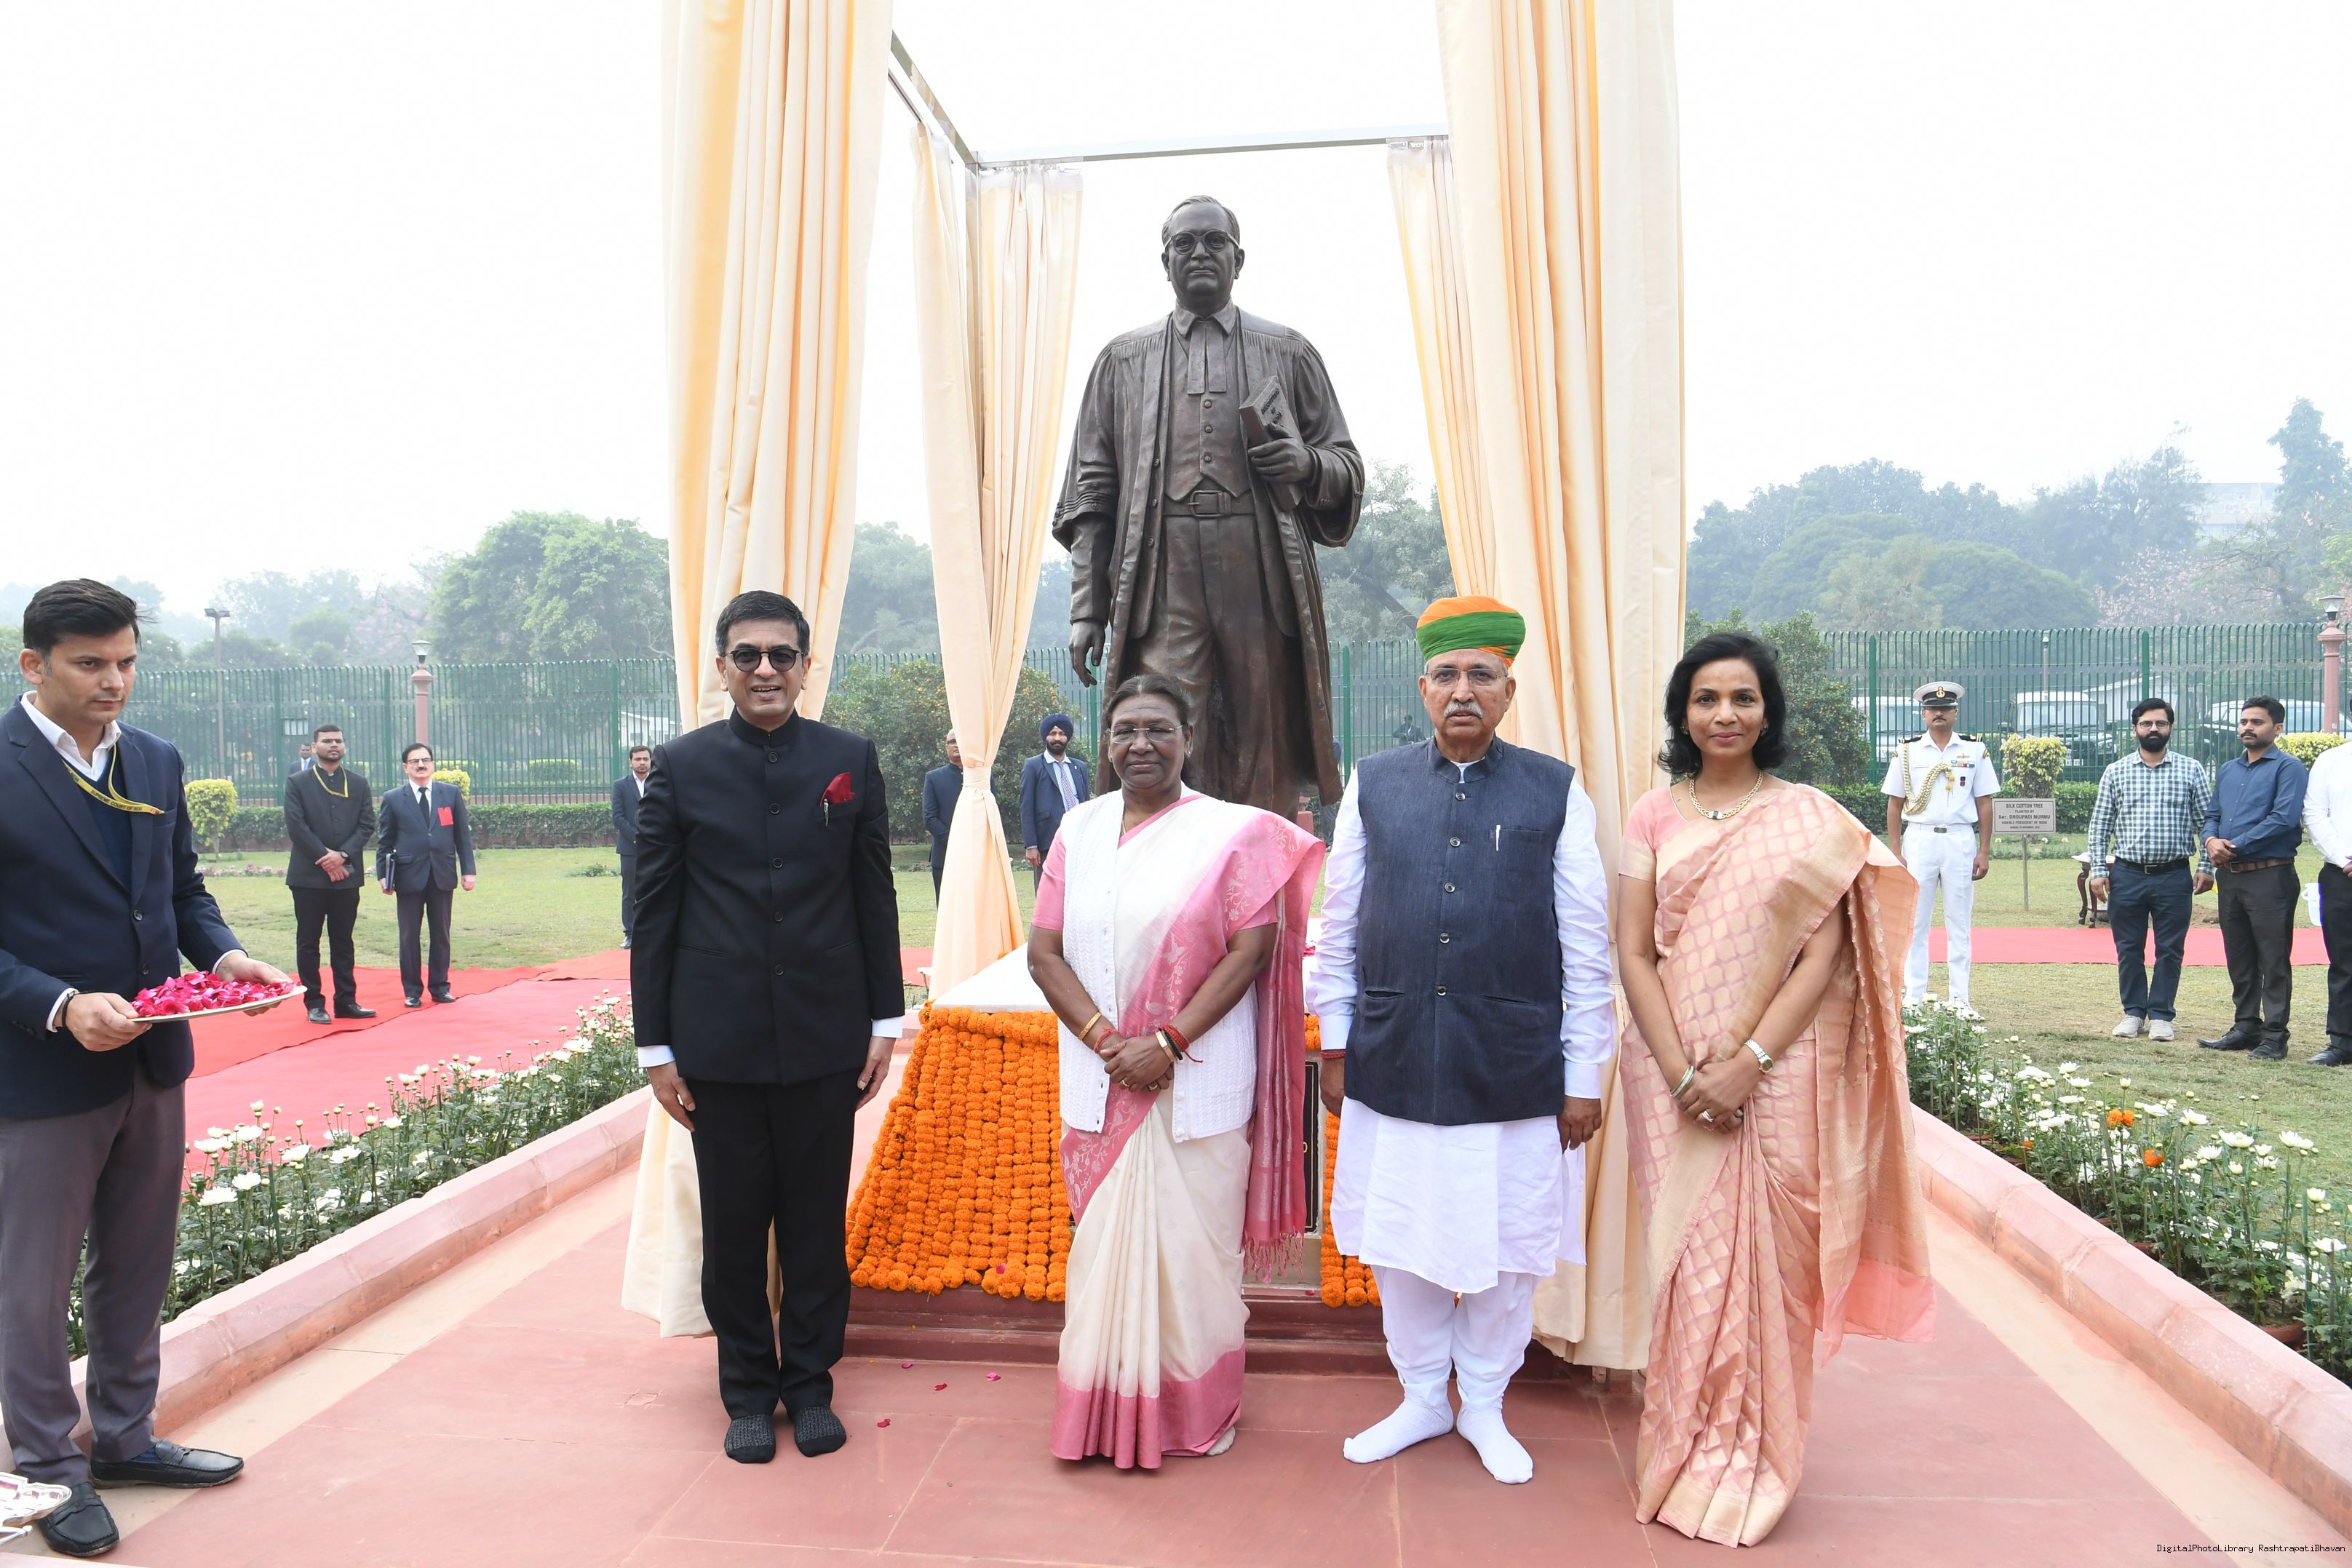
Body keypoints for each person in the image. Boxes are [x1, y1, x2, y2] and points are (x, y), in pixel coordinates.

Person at [1617, 629, 1933, 1545]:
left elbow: (1822, 954)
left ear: (1767, 712)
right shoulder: (1652, 815)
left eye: (1742, 698)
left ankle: (1754, 1457)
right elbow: (1633, 951)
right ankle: (1683, 1451)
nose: (1724, 714)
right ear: (1683, 713)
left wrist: (1745, 1062)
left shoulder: (1809, 820)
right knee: (1690, 1262)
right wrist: (1683, 1071)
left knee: (1775, 1262)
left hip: (1779, 1066)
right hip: (1666, 1064)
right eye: (1706, 698)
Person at [0, 580, 288, 1558]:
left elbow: (182, 890)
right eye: (90, 663)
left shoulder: (156, 759)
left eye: (125, 661)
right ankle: (48, 1469)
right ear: (34, 663)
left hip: (153, 1059)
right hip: (39, 1069)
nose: (113, 680)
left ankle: (124, 1438)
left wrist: (226, 957)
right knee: (31, 1282)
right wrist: (59, 1003)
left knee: (137, 1261)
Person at [1311, 595, 1613, 1487]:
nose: (1462, 691)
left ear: (1509, 691)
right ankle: (1419, 1397)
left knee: (1504, 1249)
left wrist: (1583, 1074)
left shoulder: (1554, 789)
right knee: (1399, 1240)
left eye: (1482, 675)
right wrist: (1337, 1043)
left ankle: (1482, 1401)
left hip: (1513, 1064)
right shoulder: (1374, 782)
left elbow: (1586, 943)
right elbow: (1340, 921)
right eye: (1445, 675)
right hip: (1393, 1053)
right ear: (1422, 689)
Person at [632, 590, 904, 1465]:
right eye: (746, 654)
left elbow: (873, 895)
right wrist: (655, 1046)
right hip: (718, 1042)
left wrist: (885, 1019)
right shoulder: (681, 766)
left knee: (818, 1227)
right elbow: (654, 912)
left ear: (805, 666)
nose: (764, 670)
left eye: (781, 655)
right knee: (735, 1231)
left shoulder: (848, 759)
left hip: (827, 1036)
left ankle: (811, 1385)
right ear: (721, 667)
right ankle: (748, 1391)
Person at [1027, 673, 1320, 1468]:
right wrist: (1106, 1039)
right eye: (1125, 730)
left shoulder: (1232, 832)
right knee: (1103, 1256)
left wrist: (1166, 1042)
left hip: (1197, 1083)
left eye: (1158, 729)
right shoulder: (1079, 830)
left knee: (1196, 1260)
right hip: (1102, 1080)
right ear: (1105, 743)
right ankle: (1100, 1414)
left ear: (1188, 739)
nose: (1140, 744)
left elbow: (1251, 951)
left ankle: (1195, 1411)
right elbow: (1043, 952)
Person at [1054, 195, 1365, 817]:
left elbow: (1347, 468)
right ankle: (1167, 865)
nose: (1199, 253)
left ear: (1238, 259)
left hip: (1260, 567)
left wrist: (1307, 464)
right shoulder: (1122, 360)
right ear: (1164, 261)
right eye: (1184, 243)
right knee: (1163, 723)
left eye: (1214, 242)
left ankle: (1259, 867)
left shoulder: (1289, 351)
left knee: (1261, 733)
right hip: (1161, 570)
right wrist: (1087, 608)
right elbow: (1092, 495)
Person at [2086, 699, 2214, 1042]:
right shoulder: (2116, 772)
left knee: (2170, 949)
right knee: (2128, 948)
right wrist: (2098, 869)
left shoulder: (2191, 770)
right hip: (2127, 874)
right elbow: (2100, 826)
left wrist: (2206, 866)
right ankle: (2133, 1012)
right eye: (2146, 724)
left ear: (2170, 728)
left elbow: (2208, 823)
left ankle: (2160, 1015)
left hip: (2174, 875)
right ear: (2135, 729)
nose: (2153, 729)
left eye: (2160, 723)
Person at [2198, 697, 2308, 1061]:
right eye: (2244, 721)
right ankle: (2246, 1027)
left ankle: (2275, 1036)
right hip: (2230, 878)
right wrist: (2210, 841)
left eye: (2257, 722)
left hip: (2270, 876)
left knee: (2273, 959)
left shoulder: (2289, 768)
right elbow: (2212, 815)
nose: (2247, 727)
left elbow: (2284, 818)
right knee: (2239, 956)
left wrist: (2233, 846)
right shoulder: (2229, 770)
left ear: (2277, 728)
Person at [1881, 681, 1999, 1010]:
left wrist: (1984, 850)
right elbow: (1894, 803)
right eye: (1932, 709)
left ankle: (1960, 999)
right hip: (1920, 838)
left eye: (1945, 709)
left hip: (1960, 839)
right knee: (1916, 921)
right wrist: (1895, 850)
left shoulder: (1974, 751)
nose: (1939, 713)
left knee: (1959, 922)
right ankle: (1914, 996)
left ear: (1955, 713)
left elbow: (1985, 802)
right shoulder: (1907, 752)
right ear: (1923, 714)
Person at [282, 723, 376, 1025]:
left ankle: (346, 1001)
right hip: (308, 877)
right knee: (309, 942)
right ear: (314, 747)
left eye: (338, 741)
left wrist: (342, 856)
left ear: (344, 746)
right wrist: (327, 859)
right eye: (327, 741)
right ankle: (314, 1003)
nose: (333, 745)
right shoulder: (298, 782)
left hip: (347, 875)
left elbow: (367, 824)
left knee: (343, 941)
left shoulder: (358, 783)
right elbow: (297, 826)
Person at [374, 743, 476, 1008]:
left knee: (441, 933)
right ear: (405, 767)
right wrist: (383, 874)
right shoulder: (393, 798)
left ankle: (440, 987)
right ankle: (412, 991)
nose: (421, 765)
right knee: (409, 936)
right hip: (408, 875)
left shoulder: (450, 794)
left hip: (442, 873)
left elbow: (462, 836)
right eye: (414, 761)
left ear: (433, 764)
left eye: (425, 760)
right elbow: (385, 840)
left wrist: (468, 870)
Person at [2301, 738, 2352, 1067]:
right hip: (2341, 873)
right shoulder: (2331, 760)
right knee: (2344, 961)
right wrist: (2343, 858)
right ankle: (2342, 1042)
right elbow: (2314, 813)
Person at [1018, 714, 1089, 888]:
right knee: (1048, 890)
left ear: (1068, 737)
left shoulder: (1079, 767)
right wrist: (1031, 845)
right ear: (1045, 737)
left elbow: (1086, 803)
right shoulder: (1033, 766)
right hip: (1047, 841)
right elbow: (1026, 807)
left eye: (1062, 734)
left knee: (1077, 889)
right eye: (1052, 733)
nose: (1057, 738)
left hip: (1078, 839)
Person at [611, 745, 652, 947]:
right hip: (630, 848)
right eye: (638, 759)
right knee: (630, 893)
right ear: (630, 762)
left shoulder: (659, 783)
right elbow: (618, 817)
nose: (642, 763)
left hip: (656, 847)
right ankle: (630, 933)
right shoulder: (620, 785)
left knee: (654, 890)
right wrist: (637, 837)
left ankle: (652, 932)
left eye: (645, 759)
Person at [922, 731, 961, 898]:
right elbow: (930, 818)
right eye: (952, 741)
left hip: (977, 856)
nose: (957, 745)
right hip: (944, 856)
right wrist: (954, 842)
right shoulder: (934, 778)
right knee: (947, 908)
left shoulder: (983, 776)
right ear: (947, 747)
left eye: (961, 740)